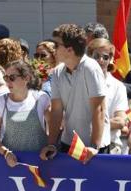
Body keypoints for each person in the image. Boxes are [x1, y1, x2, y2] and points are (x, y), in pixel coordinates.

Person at [39, 24, 106, 162]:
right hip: (68, 144)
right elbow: (56, 111)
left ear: (69, 49)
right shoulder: (57, 72)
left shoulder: (90, 68)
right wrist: (51, 144)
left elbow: (99, 109)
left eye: (56, 45)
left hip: (94, 148)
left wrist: (94, 146)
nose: (53, 48)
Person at [0, 60, 50, 165]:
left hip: (40, 163)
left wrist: (49, 147)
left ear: (26, 78)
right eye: (6, 78)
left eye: (12, 78)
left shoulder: (41, 98)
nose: (8, 82)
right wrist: (6, 153)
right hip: (12, 164)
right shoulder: (0, 102)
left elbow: (54, 129)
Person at [88, 38, 128, 154]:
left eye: (105, 57)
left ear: (111, 59)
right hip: (83, 144)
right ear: (89, 57)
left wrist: (91, 124)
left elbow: (120, 121)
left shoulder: (118, 86)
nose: (101, 60)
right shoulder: (79, 81)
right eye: (96, 56)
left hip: (111, 146)